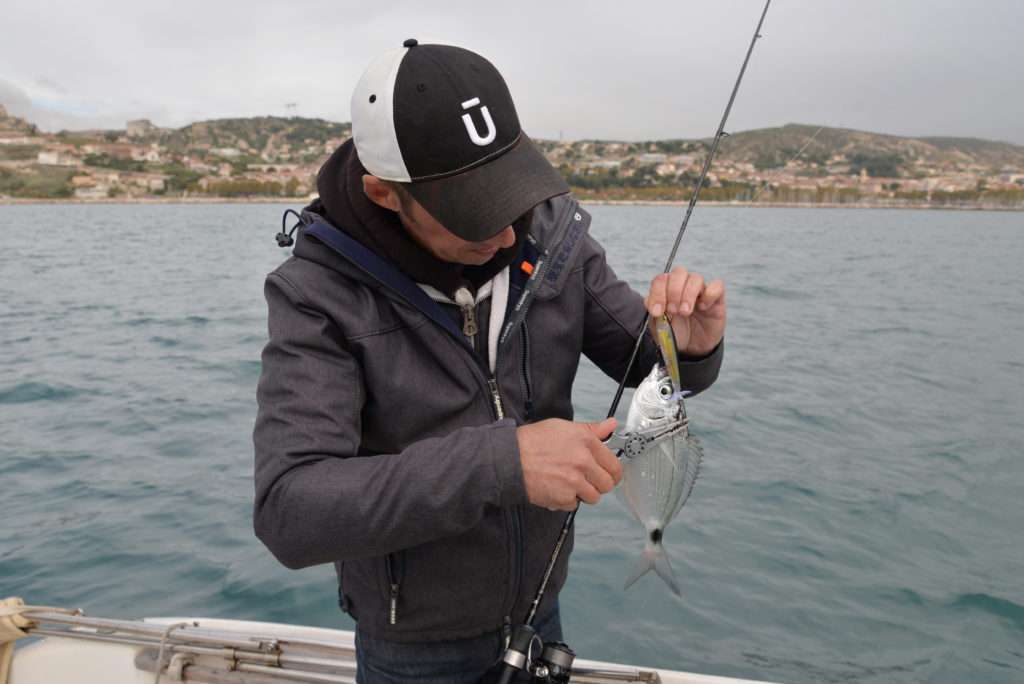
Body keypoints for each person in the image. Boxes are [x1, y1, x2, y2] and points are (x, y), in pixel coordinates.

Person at [253, 40, 726, 683]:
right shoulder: (318, 294)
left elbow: (650, 365)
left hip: (540, 616)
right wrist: (500, 463)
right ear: (385, 194)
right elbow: (291, 510)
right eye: (474, 214)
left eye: (509, 193)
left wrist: (691, 347)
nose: (508, 234)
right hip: (414, 647)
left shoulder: (552, 235)